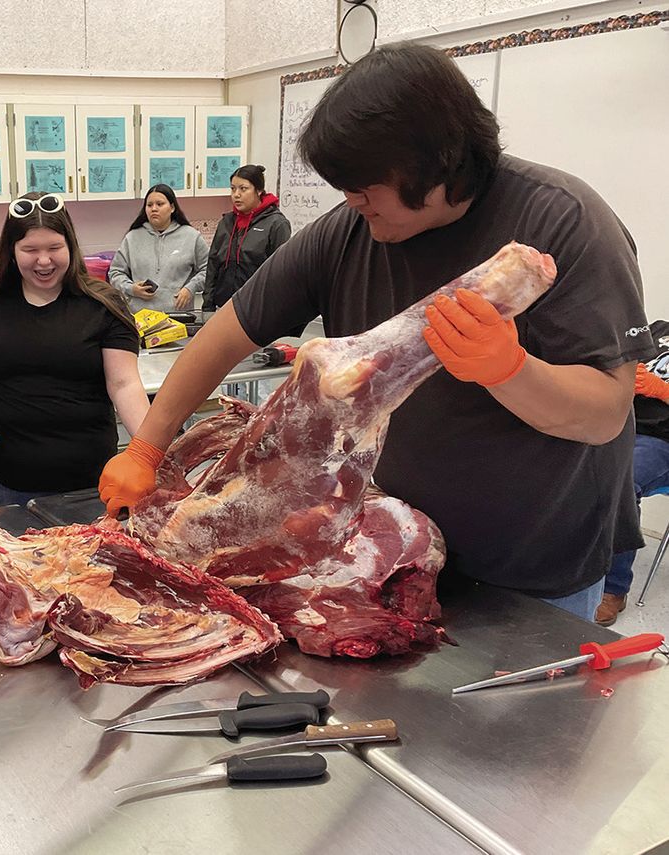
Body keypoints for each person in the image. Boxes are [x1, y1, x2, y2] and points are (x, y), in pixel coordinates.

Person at [98, 43, 653, 622]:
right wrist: (146, 446)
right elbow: (224, 336)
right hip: (388, 550)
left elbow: (605, 413)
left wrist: (510, 371)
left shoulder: (565, 221)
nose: (351, 200)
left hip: (531, 567)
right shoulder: (349, 228)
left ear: (437, 162)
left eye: (366, 185)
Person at [0, 192, 150, 507]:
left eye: (55, 248)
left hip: (94, 480)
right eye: (30, 249)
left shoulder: (103, 304)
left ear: (70, 246)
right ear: (12, 251)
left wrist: (148, 452)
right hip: (12, 480)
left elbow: (124, 383)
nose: (44, 261)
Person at [596, 322, 669, 625]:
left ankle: (613, 589)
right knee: (556, 457)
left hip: (662, 441)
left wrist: (663, 391)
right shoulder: (657, 330)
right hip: (619, 426)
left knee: (622, 480)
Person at [108, 183, 209, 314]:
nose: (154, 209)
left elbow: (208, 270)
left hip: (178, 316)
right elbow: (115, 273)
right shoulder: (132, 237)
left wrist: (190, 288)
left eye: (160, 204)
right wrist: (131, 288)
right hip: (141, 317)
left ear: (172, 207)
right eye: (149, 205)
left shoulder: (191, 237)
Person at [202, 164, 291, 311]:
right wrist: (208, 305)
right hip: (222, 307)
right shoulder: (227, 222)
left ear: (259, 190)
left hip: (256, 310)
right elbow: (213, 265)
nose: (236, 194)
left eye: (243, 189)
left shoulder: (276, 224)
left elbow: (281, 274)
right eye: (232, 189)